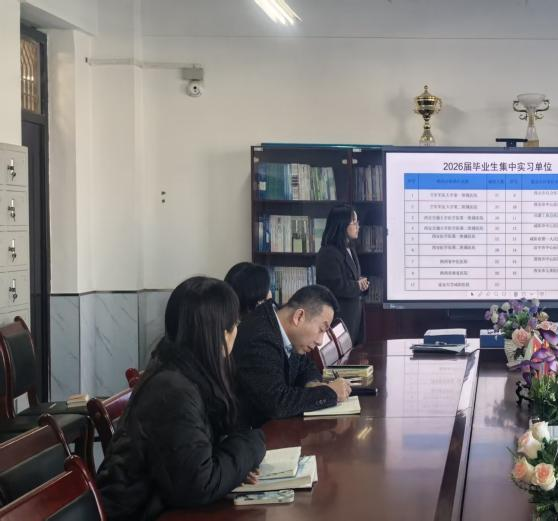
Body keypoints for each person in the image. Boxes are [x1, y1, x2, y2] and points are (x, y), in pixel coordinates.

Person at [96, 277, 266, 521]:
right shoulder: (173, 391)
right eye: (235, 324)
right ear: (220, 335)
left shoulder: (182, 370)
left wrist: (233, 467)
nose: (237, 331)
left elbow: (198, 456)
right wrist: (251, 447)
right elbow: (199, 485)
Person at [233, 284, 351, 426]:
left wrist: (312, 384)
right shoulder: (260, 336)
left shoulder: (284, 328)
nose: (320, 341)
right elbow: (276, 403)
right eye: (321, 330)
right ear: (299, 316)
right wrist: (329, 392)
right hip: (252, 431)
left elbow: (306, 366)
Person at [316, 205, 368, 346]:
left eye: (357, 222)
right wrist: (357, 285)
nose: (358, 226)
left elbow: (350, 278)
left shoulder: (349, 248)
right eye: (354, 222)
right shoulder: (328, 253)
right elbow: (333, 286)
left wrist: (361, 283)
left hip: (354, 317)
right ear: (342, 225)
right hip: (340, 319)